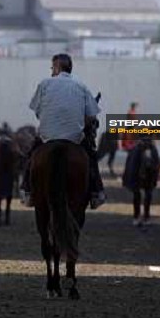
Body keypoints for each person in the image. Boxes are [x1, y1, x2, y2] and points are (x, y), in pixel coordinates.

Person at [20, 53, 106, 209]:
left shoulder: (45, 84)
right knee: (91, 157)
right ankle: (97, 191)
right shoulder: (82, 86)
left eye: (52, 67)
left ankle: (27, 190)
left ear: (58, 67)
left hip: (48, 136)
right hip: (74, 137)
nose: (52, 71)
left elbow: (37, 111)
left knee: (32, 155)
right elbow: (91, 116)